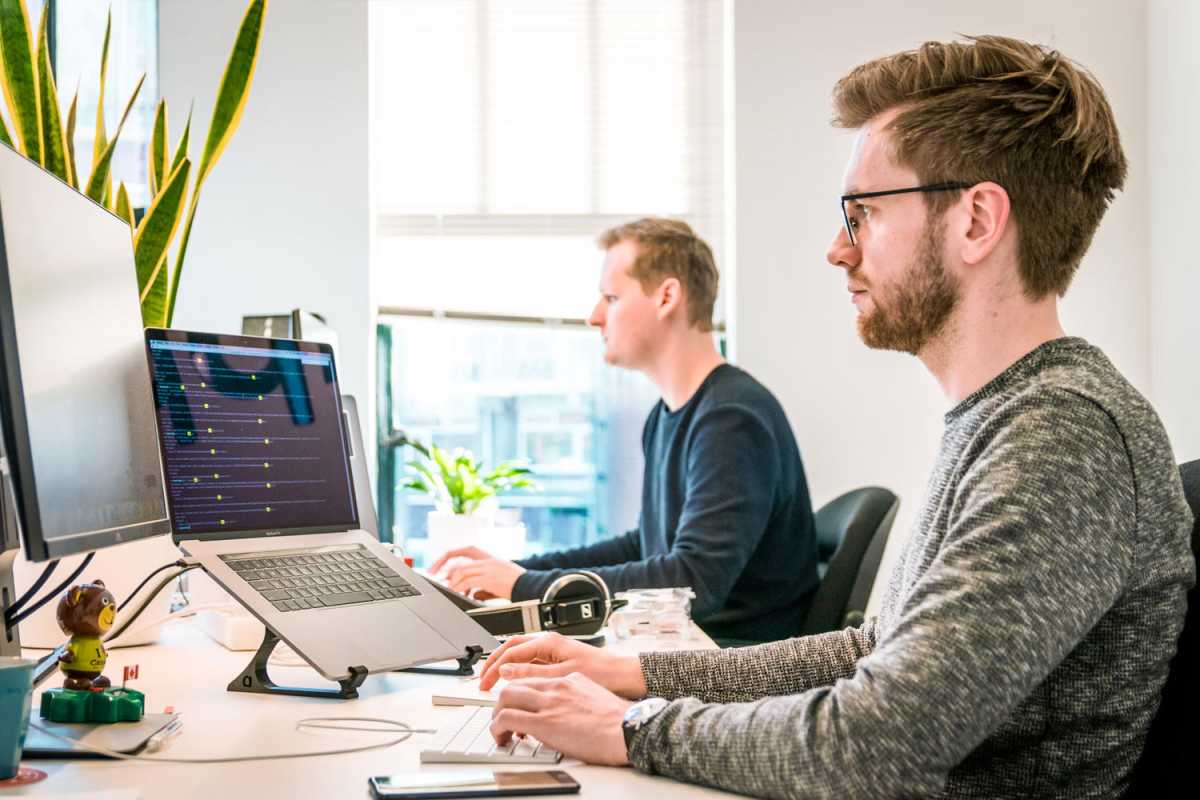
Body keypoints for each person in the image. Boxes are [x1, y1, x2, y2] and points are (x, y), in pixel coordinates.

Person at [474, 35, 1196, 799]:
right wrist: (629, 672)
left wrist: (628, 727)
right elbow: (871, 651)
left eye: (863, 214)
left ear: (977, 221)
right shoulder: (1008, 418)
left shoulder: (1062, 435)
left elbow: (874, 743)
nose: (836, 249)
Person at [430, 218, 820, 644]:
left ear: (667, 297)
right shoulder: (669, 415)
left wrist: (525, 587)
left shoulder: (732, 419)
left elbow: (693, 583)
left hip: (730, 663)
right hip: (686, 647)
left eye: (611, 298)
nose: (594, 316)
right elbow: (646, 546)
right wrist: (520, 571)